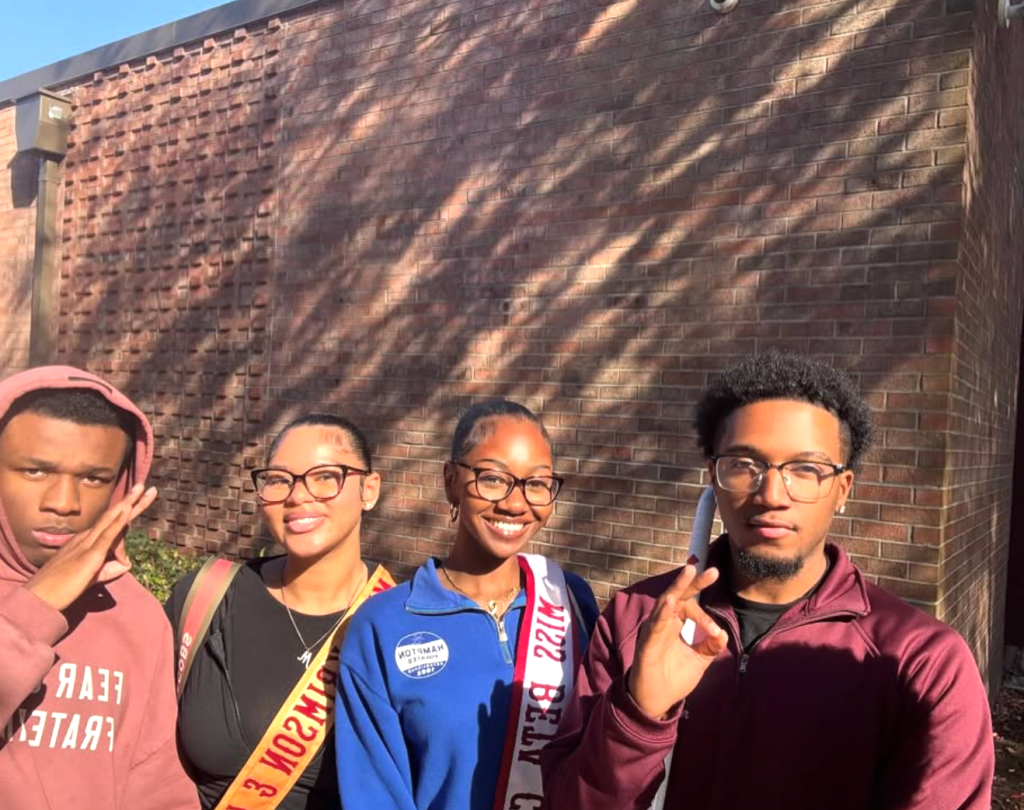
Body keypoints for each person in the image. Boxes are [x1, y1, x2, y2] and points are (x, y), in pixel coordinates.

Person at [542, 350, 995, 810]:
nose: (772, 495)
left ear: (843, 489)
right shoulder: (635, 619)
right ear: (714, 479)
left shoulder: (922, 663)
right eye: (744, 464)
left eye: (807, 469)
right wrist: (638, 716)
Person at [336, 399, 600, 810]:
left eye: (537, 483)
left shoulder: (571, 602)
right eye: (493, 479)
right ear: (450, 480)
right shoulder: (383, 626)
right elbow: (374, 795)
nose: (516, 503)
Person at [166, 414, 394, 810]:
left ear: (369, 489)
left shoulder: (406, 624)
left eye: (326, 476)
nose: (298, 496)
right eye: (278, 479)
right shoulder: (205, 599)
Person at [0, 365, 197, 810]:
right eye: (34, 471)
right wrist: (37, 606)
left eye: (93, 479)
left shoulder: (135, 615)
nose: (63, 503)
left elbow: (158, 784)